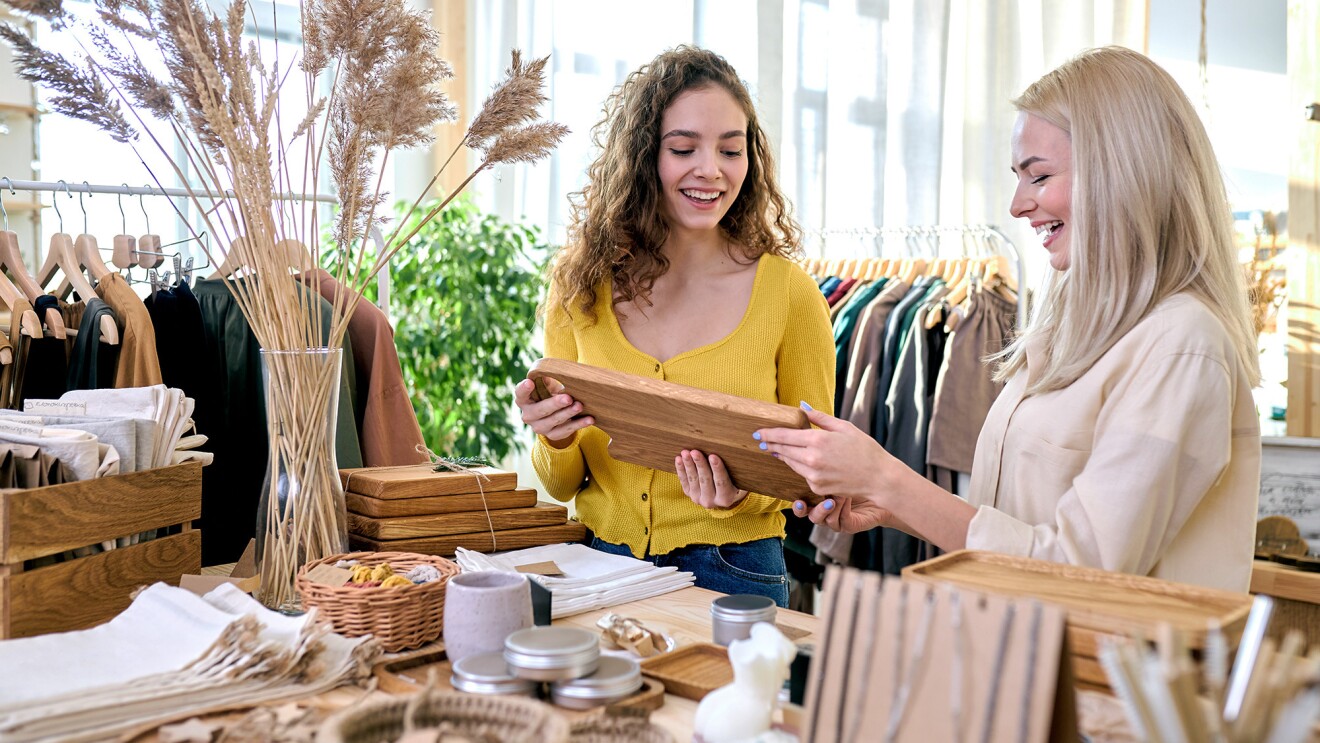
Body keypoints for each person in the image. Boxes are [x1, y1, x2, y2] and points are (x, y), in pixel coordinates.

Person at [756, 46, 1261, 593]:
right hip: (1017, 659)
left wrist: (891, 481)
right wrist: (886, 505)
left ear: (1120, 174)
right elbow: (1013, 527)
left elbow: (1083, 569)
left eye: (1038, 177)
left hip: (1102, 675)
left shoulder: (1181, 345)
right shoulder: (1070, 329)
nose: (1018, 205)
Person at [512, 46, 834, 607]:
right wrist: (553, 435)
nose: (710, 169)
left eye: (731, 150)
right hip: (602, 562)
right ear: (643, 158)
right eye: (683, 148)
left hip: (737, 570)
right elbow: (562, 484)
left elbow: (812, 470)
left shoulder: (789, 293)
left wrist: (741, 499)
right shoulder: (578, 286)